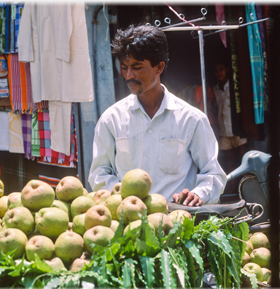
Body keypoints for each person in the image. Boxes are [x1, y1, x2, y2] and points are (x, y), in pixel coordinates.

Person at [88, 24, 227, 206]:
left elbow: (213, 173)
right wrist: (124, 196)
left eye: (137, 67)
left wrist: (198, 194)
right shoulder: (111, 119)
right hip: (130, 222)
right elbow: (99, 173)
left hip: (178, 223)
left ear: (159, 67)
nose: (129, 75)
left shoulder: (192, 119)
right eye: (124, 67)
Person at [212, 60, 248, 174]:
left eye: (221, 69)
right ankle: (232, 183)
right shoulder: (215, 89)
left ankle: (246, 180)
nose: (219, 73)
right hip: (223, 130)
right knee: (228, 160)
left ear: (227, 70)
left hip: (237, 128)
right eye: (216, 71)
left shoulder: (234, 86)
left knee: (243, 157)